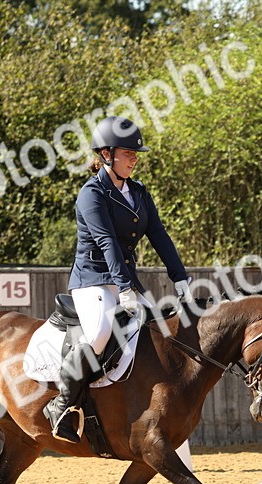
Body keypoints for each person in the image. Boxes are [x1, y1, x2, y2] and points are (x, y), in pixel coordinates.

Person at [44, 115, 193, 443]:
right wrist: (123, 287)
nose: (134, 158)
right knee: (99, 335)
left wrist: (180, 277)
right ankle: (61, 404)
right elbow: (106, 241)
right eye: (128, 153)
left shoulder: (138, 193)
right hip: (93, 280)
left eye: (135, 154)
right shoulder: (91, 194)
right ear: (106, 154)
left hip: (125, 280)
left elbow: (159, 234)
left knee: (160, 332)